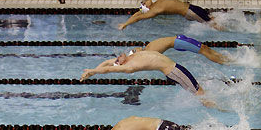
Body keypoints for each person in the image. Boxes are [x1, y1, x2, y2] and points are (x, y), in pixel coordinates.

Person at [80, 50, 214, 106]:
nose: (118, 56)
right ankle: (216, 108)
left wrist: (93, 70)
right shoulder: (129, 66)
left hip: (176, 69)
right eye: (118, 59)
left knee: (199, 91)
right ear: (121, 63)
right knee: (199, 94)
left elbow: (107, 63)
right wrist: (93, 71)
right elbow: (109, 68)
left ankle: (213, 105)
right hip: (175, 72)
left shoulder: (133, 55)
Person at [118, 0, 219, 30]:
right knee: (211, 24)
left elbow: (137, 14)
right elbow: (138, 17)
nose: (145, 0)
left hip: (191, 7)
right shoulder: (154, 10)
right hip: (190, 12)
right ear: (146, 7)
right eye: (144, 3)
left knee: (212, 19)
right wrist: (125, 24)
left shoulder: (157, 2)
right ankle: (224, 31)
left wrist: (126, 22)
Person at [135, 34, 229, 65]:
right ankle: (224, 62)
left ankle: (224, 59)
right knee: (203, 50)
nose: (135, 48)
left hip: (178, 40)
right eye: (134, 51)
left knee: (204, 48)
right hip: (179, 42)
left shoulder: (148, 48)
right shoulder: (148, 52)